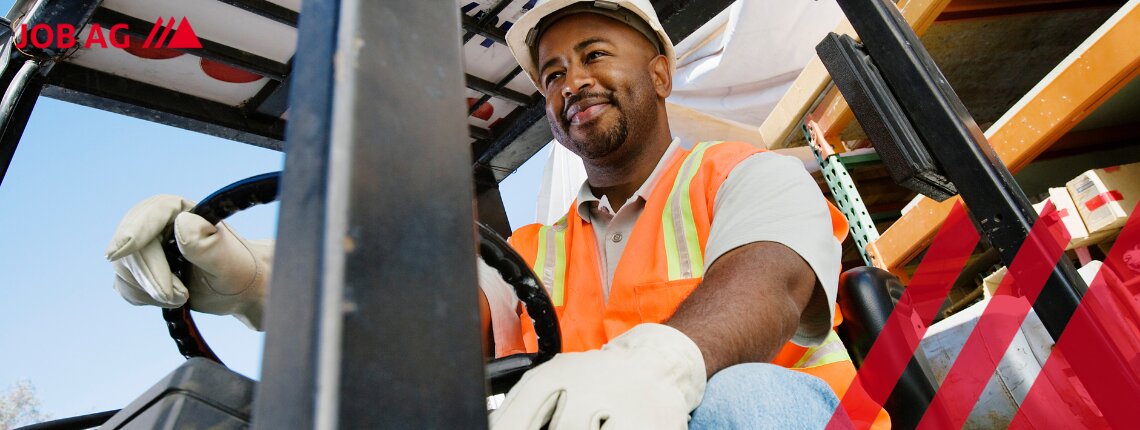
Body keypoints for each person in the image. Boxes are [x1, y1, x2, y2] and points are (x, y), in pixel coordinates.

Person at [105, 0, 889, 428]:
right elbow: (411, 322)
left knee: (740, 404)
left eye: (592, 54)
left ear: (658, 68)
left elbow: (773, 280)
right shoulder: (524, 251)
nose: (569, 81)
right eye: (550, 73)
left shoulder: (743, 174)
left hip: (781, 420)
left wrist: (658, 368)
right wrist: (255, 280)